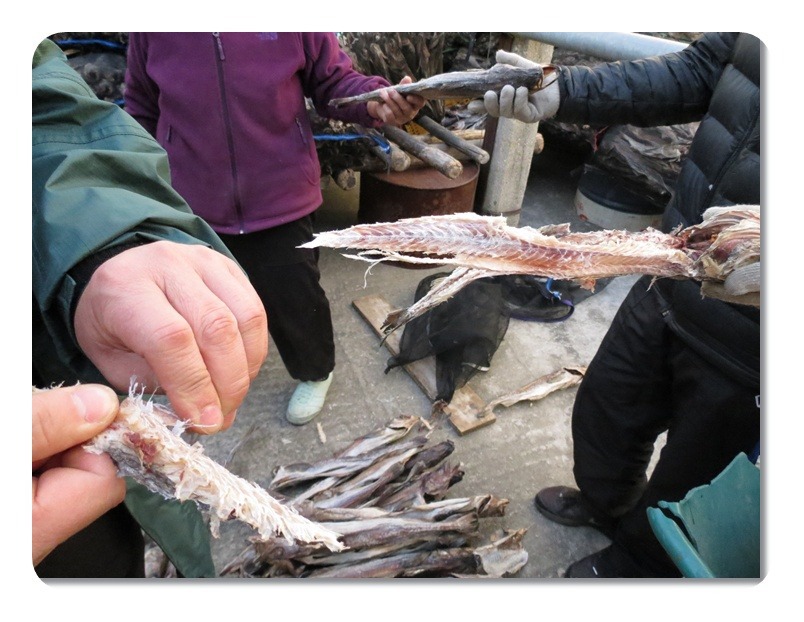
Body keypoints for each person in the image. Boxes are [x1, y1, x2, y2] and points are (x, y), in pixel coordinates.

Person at [483, 33, 760, 577]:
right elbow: (698, 70)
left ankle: (637, 565)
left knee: (693, 475)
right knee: (607, 409)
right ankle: (608, 506)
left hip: (750, 337)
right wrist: (564, 91)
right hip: (671, 269)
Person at [33, 38, 269, 576]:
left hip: (76, 482)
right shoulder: (149, 37)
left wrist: (101, 247)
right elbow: (140, 105)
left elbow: (43, 107)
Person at [124, 32, 426, 426]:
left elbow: (333, 81)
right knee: (203, 303)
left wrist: (375, 101)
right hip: (194, 197)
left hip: (280, 192)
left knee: (295, 298)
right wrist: (148, 180)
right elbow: (141, 105)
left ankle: (315, 372)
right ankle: (213, 378)